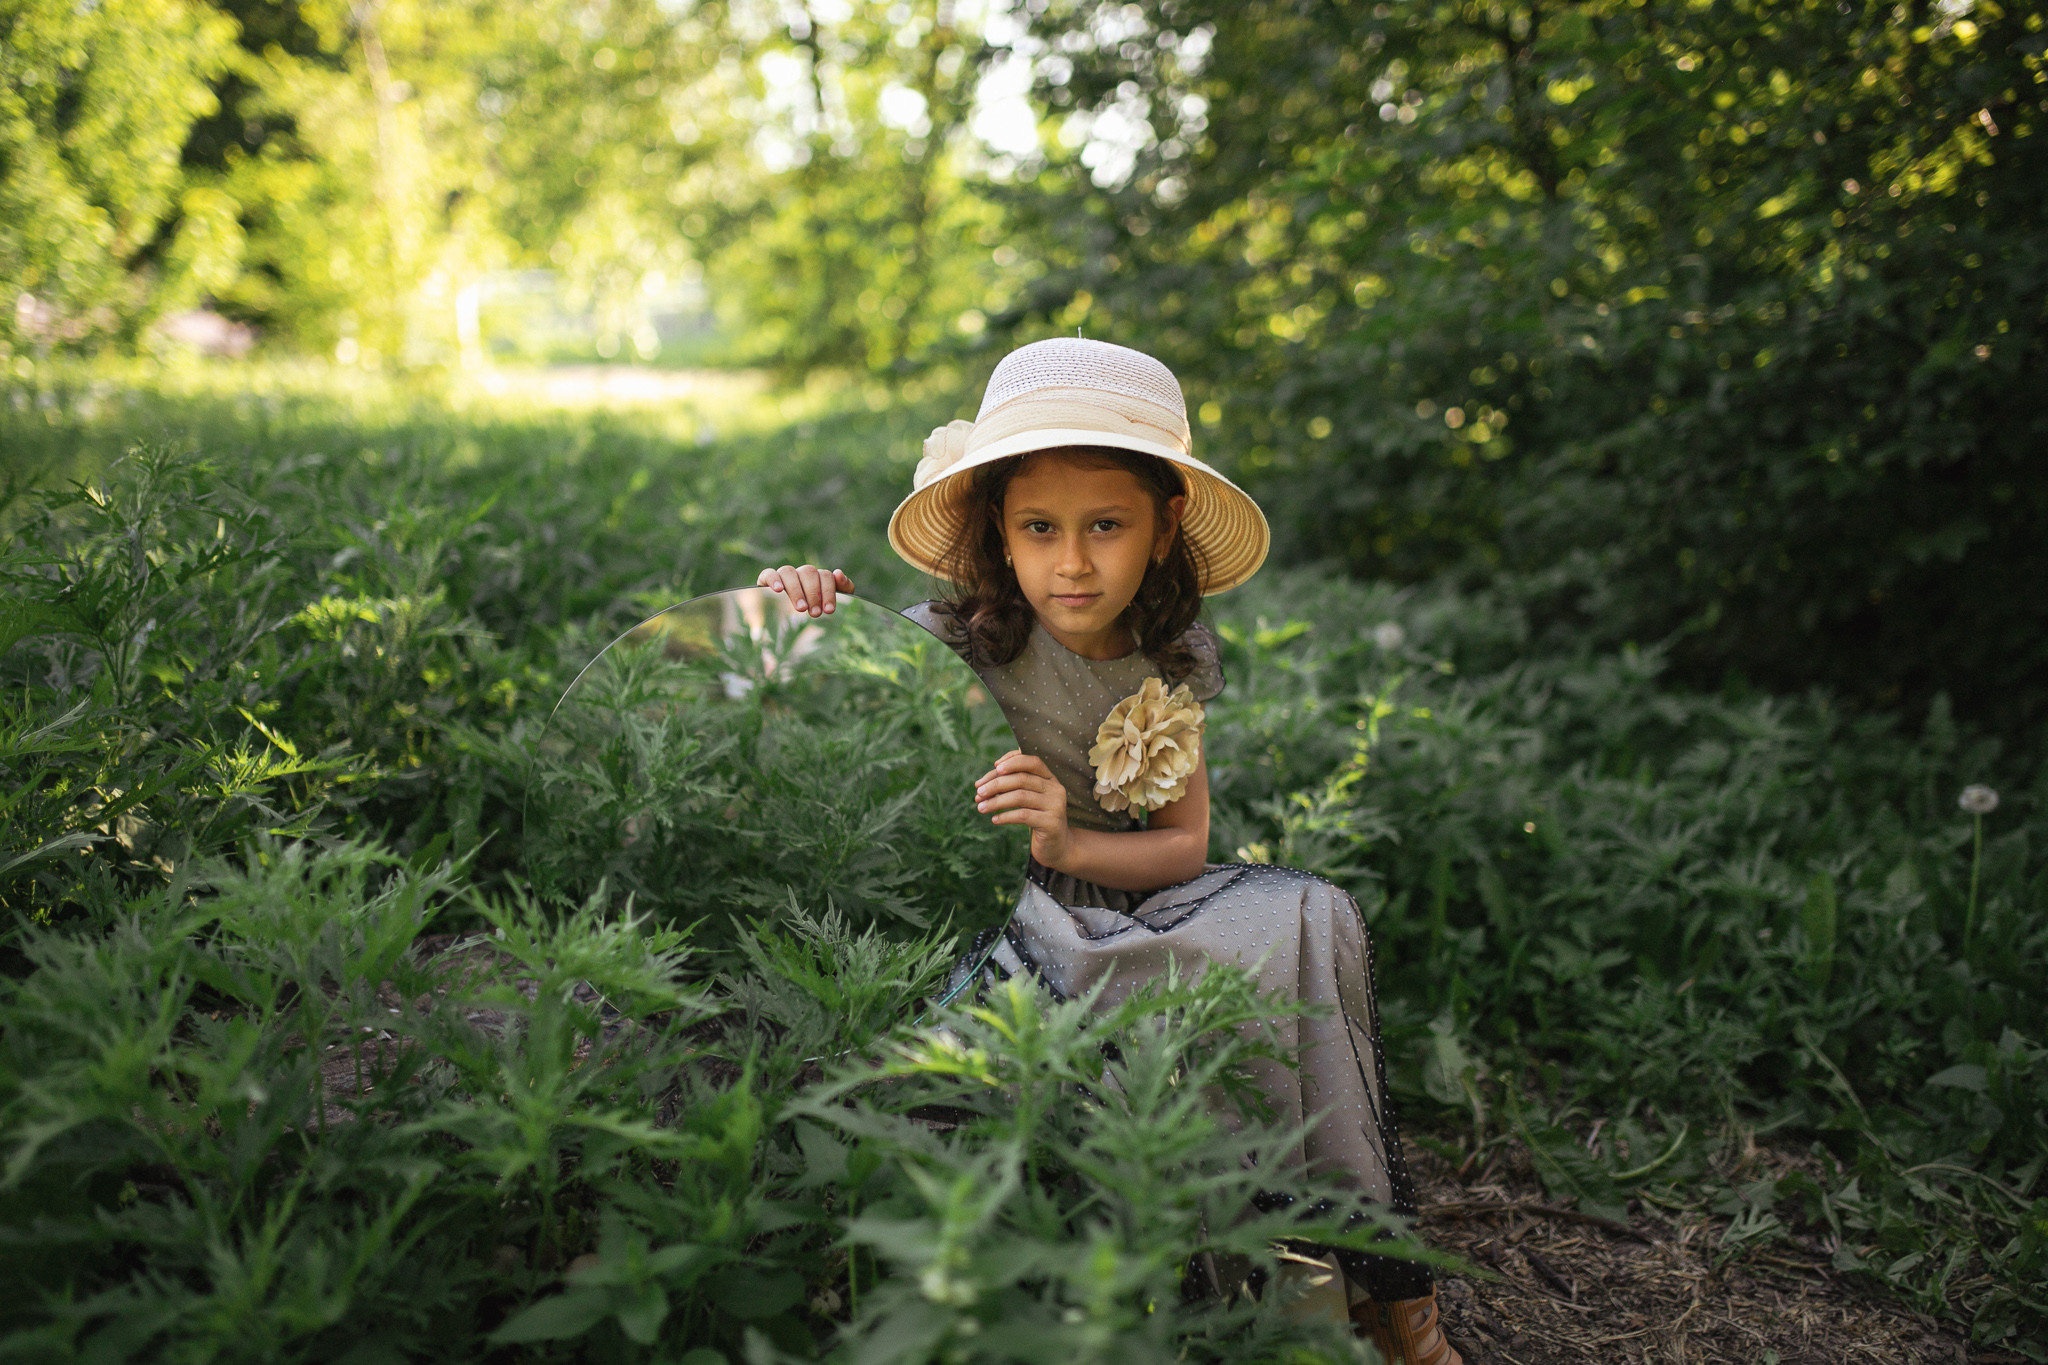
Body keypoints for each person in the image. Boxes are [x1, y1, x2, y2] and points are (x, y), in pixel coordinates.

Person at [758, 338, 1460, 1365]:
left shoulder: (1170, 659)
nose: (1071, 562)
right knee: (1102, 959)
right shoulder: (945, 643)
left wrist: (1070, 834)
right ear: (998, 528)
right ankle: (1255, 1276)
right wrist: (801, 618)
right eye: (1038, 527)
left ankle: (1383, 1288)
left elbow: (1182, 847)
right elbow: (820, 754)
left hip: (1127, 900)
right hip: (1000, 920)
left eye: (1105, 527)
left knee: (1305, 914)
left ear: (1164, 525)